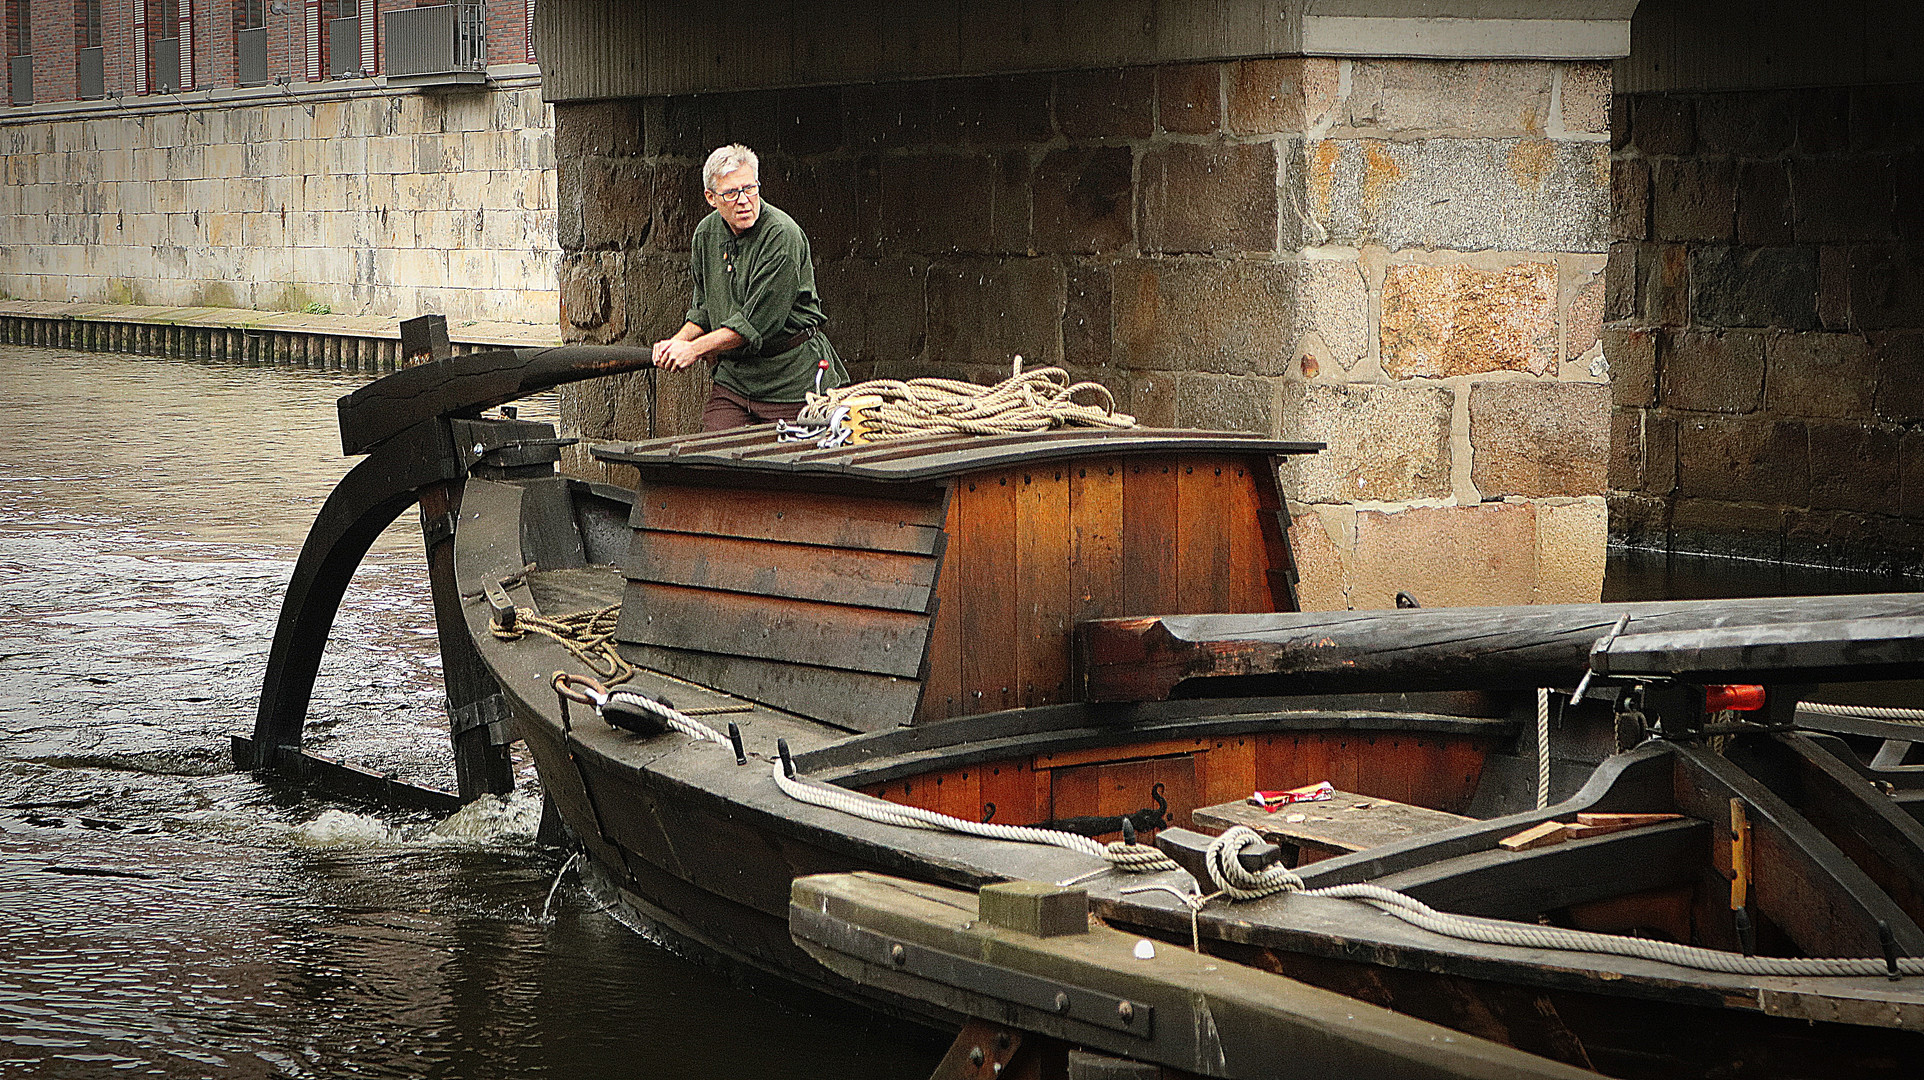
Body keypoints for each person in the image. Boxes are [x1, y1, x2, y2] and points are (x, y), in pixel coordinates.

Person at [651, 143, 848, 430]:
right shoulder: (706, 234)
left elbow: (754, 324)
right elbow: (704, 308)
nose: (743, 200)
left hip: (792, 381)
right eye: (731, 193)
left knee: (788, 468)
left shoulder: (781, 236)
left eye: (750, 189)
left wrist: (692, 350)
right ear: (711, 197)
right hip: (736, 381)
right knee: (713, 457)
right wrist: (677, 341)